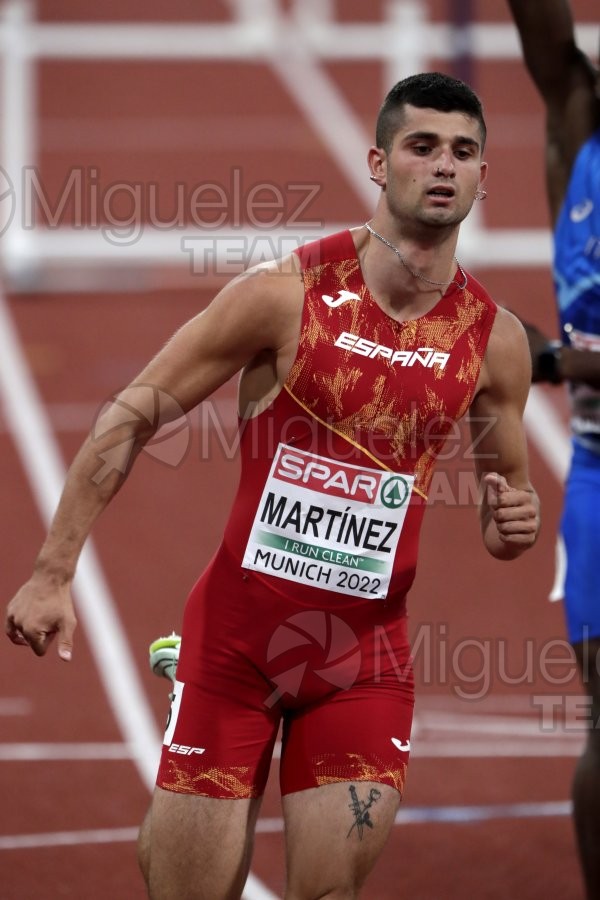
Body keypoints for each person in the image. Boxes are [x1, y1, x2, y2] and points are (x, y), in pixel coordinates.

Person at [5, 72, 540, 900]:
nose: (443, 166)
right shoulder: (285, 295)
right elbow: (130, 414)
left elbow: (506, 519)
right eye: (422, 146)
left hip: (363, 661)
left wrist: (514, 524)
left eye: (463, 152)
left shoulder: (495, 343)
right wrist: (52, 570)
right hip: (235, 650)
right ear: (378, 161)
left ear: (482, 176)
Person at [506, 3, 600, 897]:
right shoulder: (580, 134)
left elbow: (543, 353)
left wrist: (544, 355)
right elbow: (548, 41)